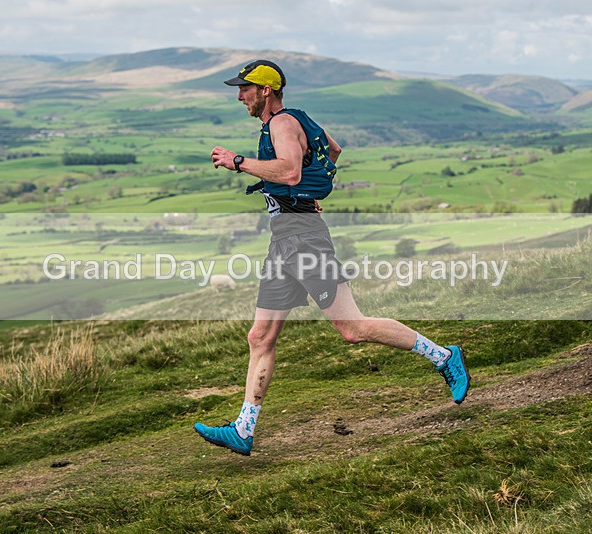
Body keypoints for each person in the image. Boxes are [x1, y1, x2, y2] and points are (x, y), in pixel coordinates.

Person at [194, 60, 470, 456]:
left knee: (352, 327)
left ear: (266, 90)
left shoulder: (281, 123)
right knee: (260, 336)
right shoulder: (297, 120)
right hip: (285, 238)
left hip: (303, 239)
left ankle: (444, 357)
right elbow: (333, 151)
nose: (240, 96)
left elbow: (290, 172)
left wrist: (238, 162)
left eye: (245, 88)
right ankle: (243, 429)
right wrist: (307, 196)